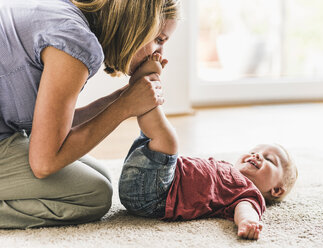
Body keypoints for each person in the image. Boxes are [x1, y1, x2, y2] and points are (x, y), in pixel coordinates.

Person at [0, 0, 180, 229]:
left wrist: (125, 95)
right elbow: (44, 162)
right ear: (139, 25)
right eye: (159, 40)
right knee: (93, 195)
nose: (160, 52)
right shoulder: (76, 43)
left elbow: (51, 124)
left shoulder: (64, 14)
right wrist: (124, 106)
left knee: (100, 175)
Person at [118, 54, 298, 240]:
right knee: (155, 135)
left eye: (269, 159)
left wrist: (247, 222)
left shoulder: (248, 193)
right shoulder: (228, 171)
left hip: (155, 195)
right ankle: (144, 90)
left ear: (276, 190)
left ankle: (144, 85)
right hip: (150, 173)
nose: (257, 156)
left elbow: (246, 210)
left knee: (168, 140)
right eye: (254, 151)